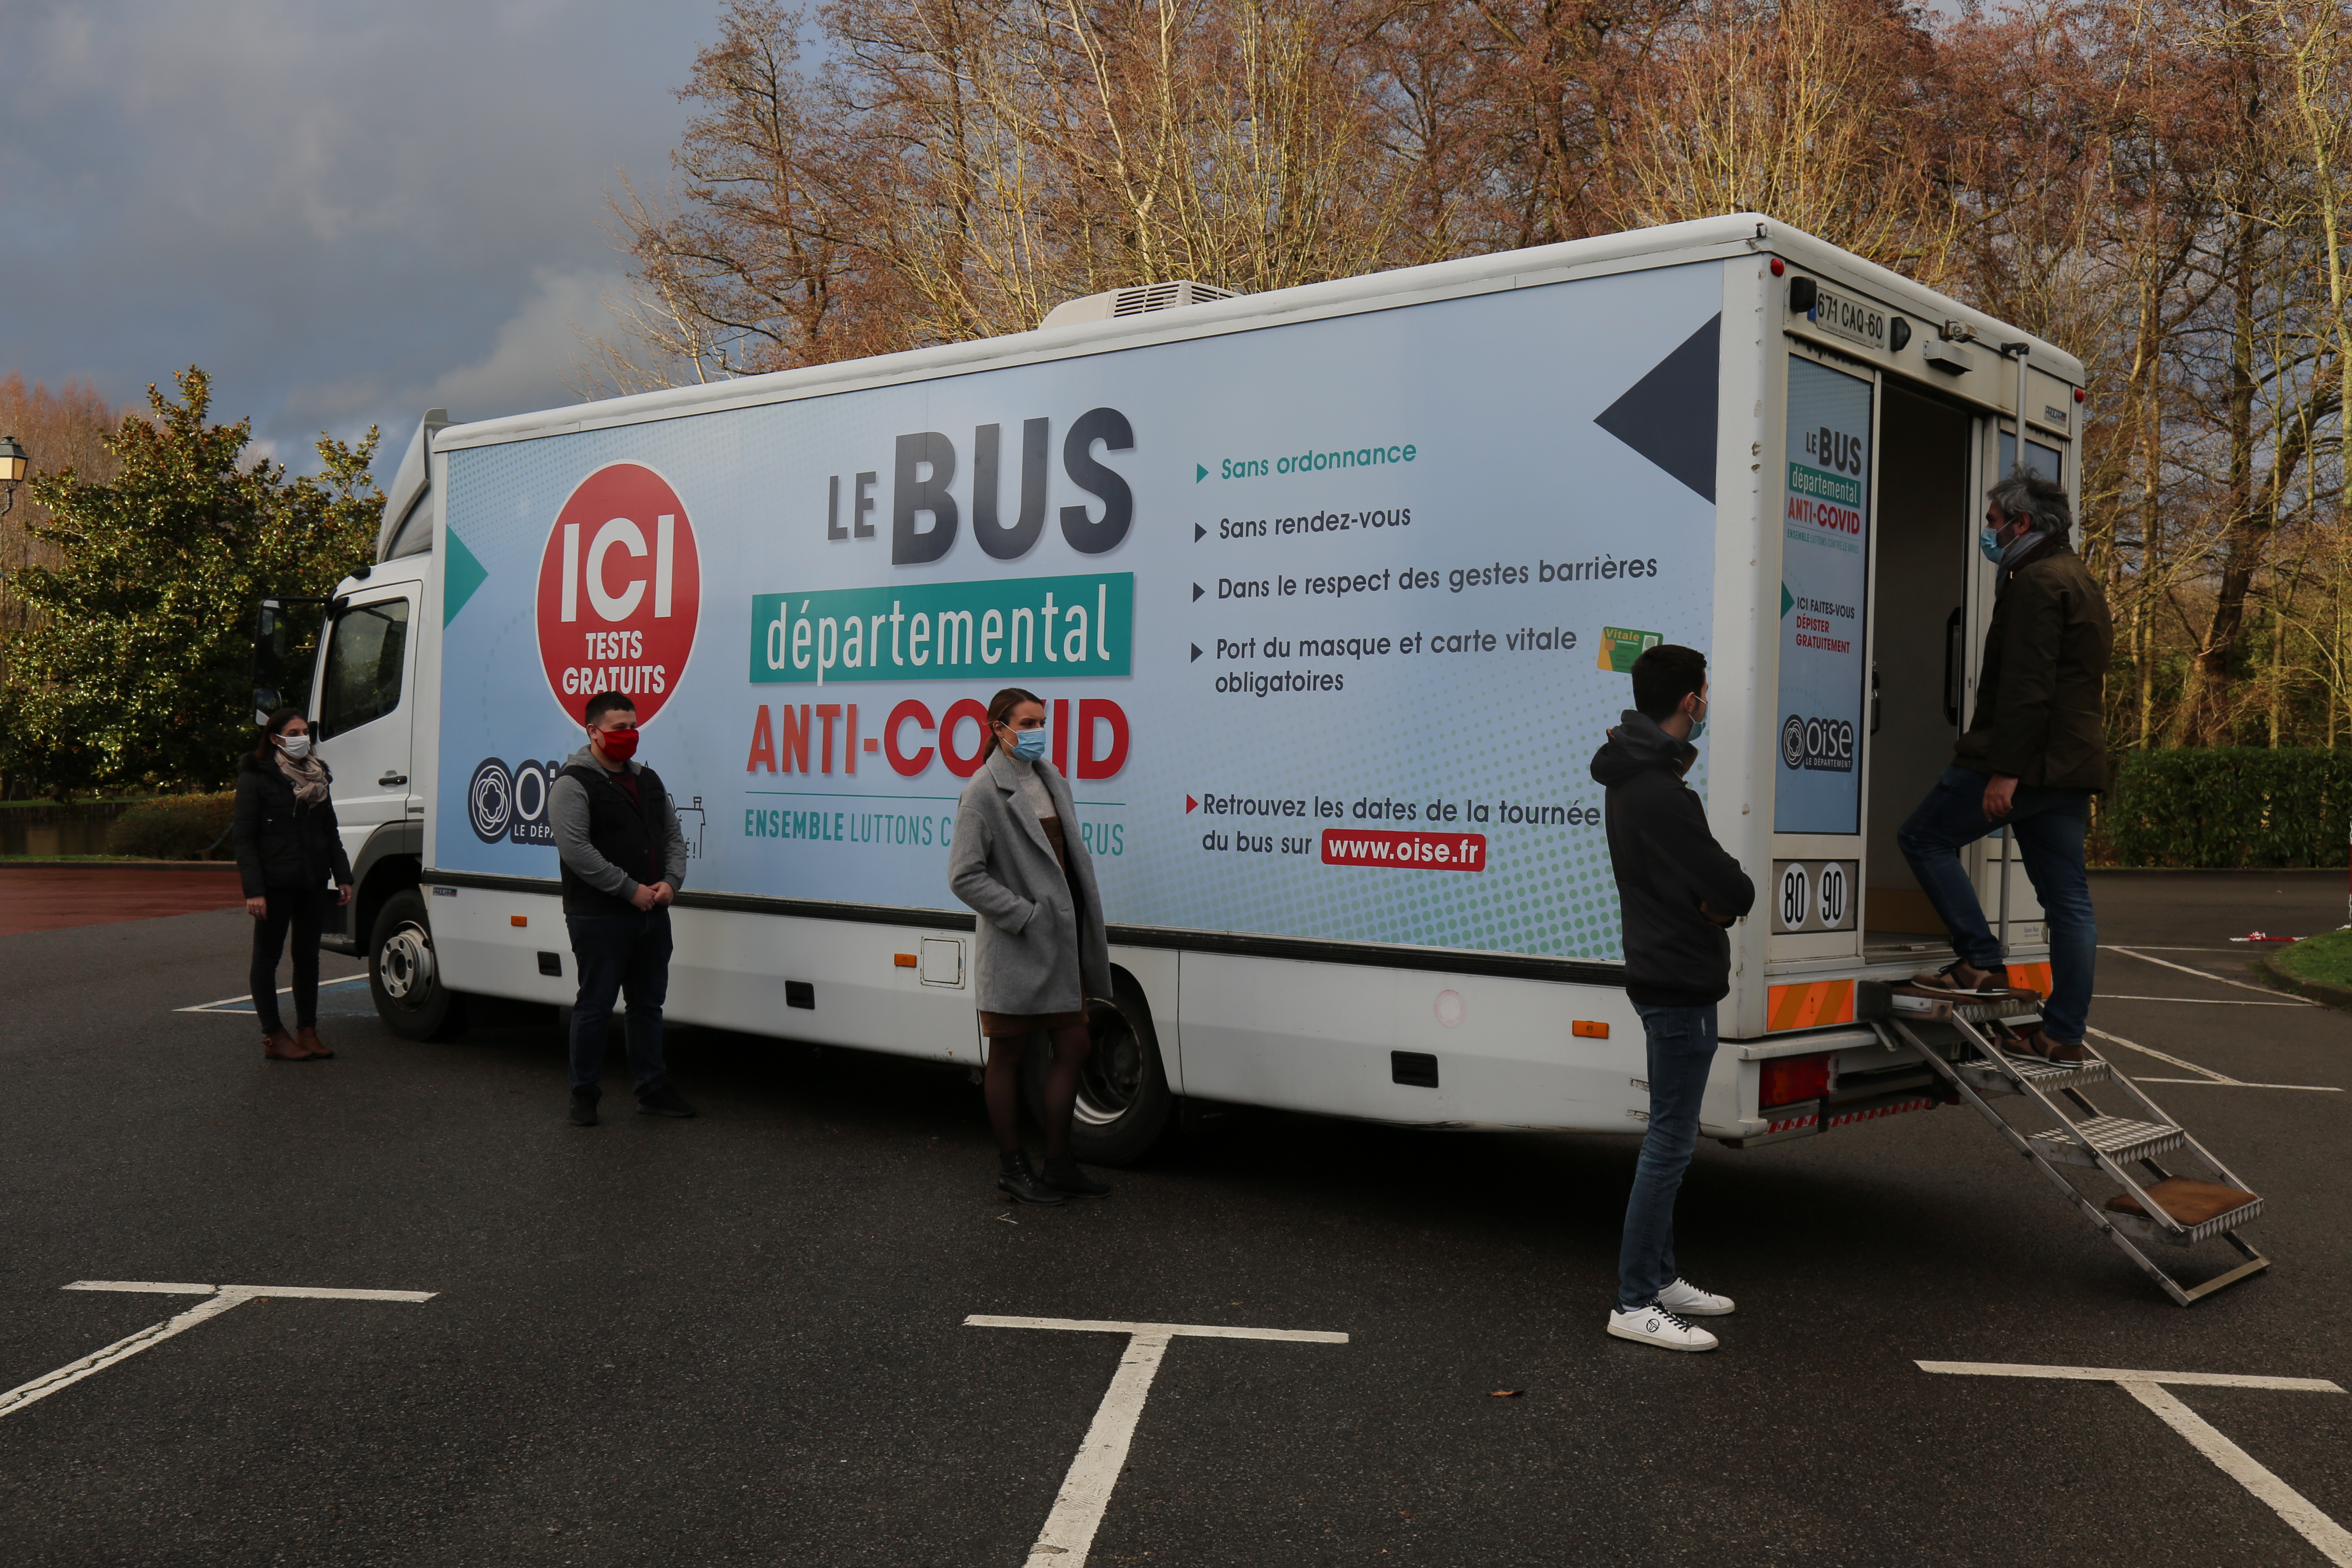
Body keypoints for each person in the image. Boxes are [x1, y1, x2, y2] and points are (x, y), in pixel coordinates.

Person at [1897, 469, 2113, 1063]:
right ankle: (2062, 1033)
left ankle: (1980, 961)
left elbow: (2027, 688)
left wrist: (2005, 771)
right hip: (2070, 767)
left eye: (1993, 523)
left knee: (1922, 837)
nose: (1988, 534)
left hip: (2027, 762)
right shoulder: (2081, 579)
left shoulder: (2036, 582)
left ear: (2021, 524)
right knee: (2069, 902)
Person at [1590, 644, 1755, 1353]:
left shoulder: (1634, 779)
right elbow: (1734, 888)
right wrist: (1715, 903)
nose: (1708, 703)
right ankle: (1633, 1300)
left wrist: (1708, 899)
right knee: (1669, 1142)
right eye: (1706, 693)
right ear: (1689, 702)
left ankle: (1659, 1278)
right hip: (1677, 979)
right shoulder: (1661, 792)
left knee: (1672, 1133)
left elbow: (1700, 884)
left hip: (1665, 969)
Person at [947, 687, 1114, 1205]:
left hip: (1061, 945)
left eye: (1042, 720)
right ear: (1000, 728)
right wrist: (1025, 916)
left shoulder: (1053, 778)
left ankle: (1060, 1163)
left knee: (1074, 1045)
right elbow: (963, 876)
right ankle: (1014, 1168)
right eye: (1028, 722)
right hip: (1018, 948)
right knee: (1009, 1054)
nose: (1039, 730)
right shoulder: (981, 790)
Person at [549, 690, 696, 1126]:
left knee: (648, 1006)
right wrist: (630, 889)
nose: (629, 735)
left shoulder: (648, 781)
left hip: (652, 915)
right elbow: (576, 849)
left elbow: (672, 836)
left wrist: (671, 884)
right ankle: (584, 1096)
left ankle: (652, 1090)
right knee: (595, 1006)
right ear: (593, 731)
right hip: (599, 916)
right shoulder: (573, 784)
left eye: (633, 726)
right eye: (619, 728)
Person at [234, 708, 354, 1061]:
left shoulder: (319, 777)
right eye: (295, 732)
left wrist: (343, 876)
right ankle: (274, 1035)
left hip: (313, 880)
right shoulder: (256, 777)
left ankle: (308, 1030)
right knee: (267, 960)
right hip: (274, 884)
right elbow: (244, 839)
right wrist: (254, 890)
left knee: (307, 958)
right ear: (275, 739)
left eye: (306, 731)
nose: (303, 737)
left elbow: (329, 831)